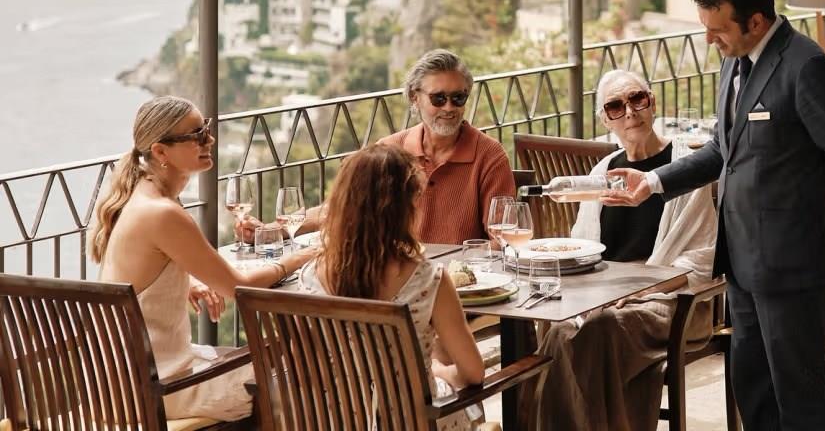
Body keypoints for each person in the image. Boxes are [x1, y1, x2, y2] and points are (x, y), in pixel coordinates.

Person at [604, 0, 825, 430]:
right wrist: (653, 182)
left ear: (756, 21)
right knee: (753, 386)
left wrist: (795, 193)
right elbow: (721, 150)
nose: (709, 39)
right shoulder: (733, 60)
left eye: (718, 28)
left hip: (794, 262)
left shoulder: (807, 67)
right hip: (741, 262)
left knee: (802, 394)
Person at [91, 96, 316, 422]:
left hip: (123, 384)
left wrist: (186, 283)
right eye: (196, 135)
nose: (209, 140)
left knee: (287, 358)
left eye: (206, 129)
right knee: (308, 365)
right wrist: (302, 256)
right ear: (160, 152)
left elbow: (140, 275)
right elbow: (239, 287)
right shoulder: (162, 212)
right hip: (158, 390)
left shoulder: (141, 196)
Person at [533, 69, 719, 430]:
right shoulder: (603, 171)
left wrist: (639, 290)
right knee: (560, 333)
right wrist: (602, 294)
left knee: (598, 331)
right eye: (615, 106)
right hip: (604, 297)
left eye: (637, 99)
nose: (630, 111)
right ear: (605, 120)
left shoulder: (683, 169)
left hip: (669, 300)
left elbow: (702, 260)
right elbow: (582, 247)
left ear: (653, 103)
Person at [289, 144, 491, 430]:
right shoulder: (427, 280)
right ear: (403, 210)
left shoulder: (309, 278)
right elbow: (473, 373)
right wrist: (442, 373)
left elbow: (304, 374)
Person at [237, 49, 516, 245]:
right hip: (395, 284)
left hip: (461, 289)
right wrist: (271, 231)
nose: (449, 107)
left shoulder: (489, 156)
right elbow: (336, 210)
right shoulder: (390, 151)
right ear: (415, 98)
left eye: (458, 98)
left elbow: (503, 239)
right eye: (438, 98)